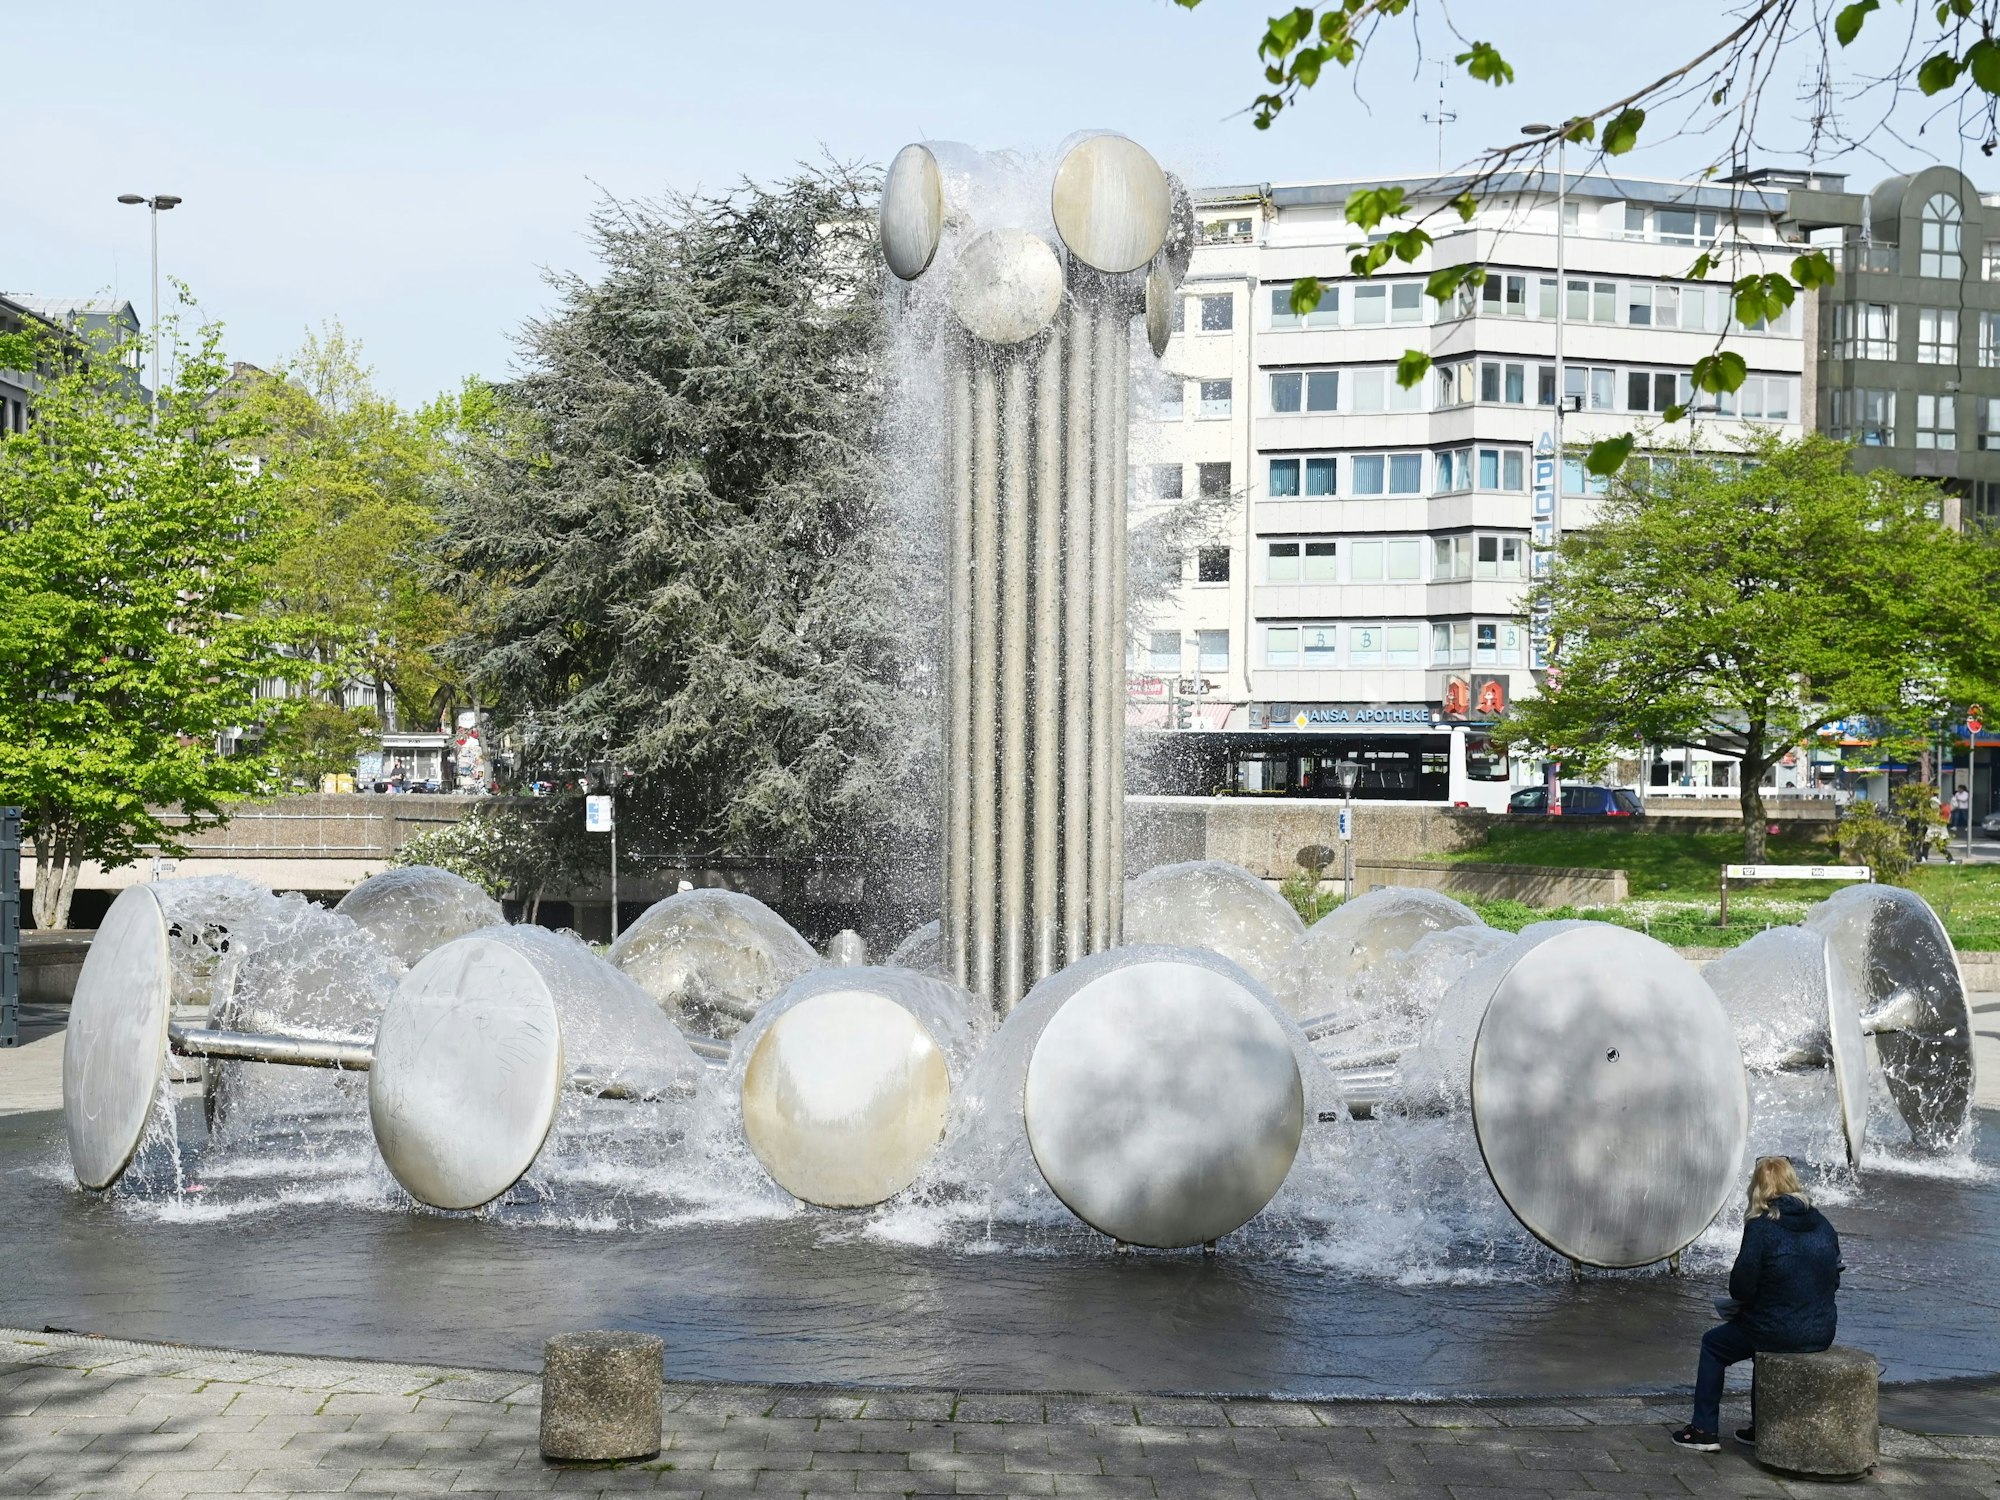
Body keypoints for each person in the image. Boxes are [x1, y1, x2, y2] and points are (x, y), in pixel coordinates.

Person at [1672, 1157, 1842, 1451]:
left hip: (1775, 1329)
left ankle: (1703, 1430)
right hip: (1821, 1331)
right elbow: (1834, 1280)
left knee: (1714, 1344)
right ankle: (1761, 1426)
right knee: (1761, 1333)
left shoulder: (1761, 1227)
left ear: (1758, 1188)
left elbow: (1741, 1288)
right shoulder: (1823, 1224)